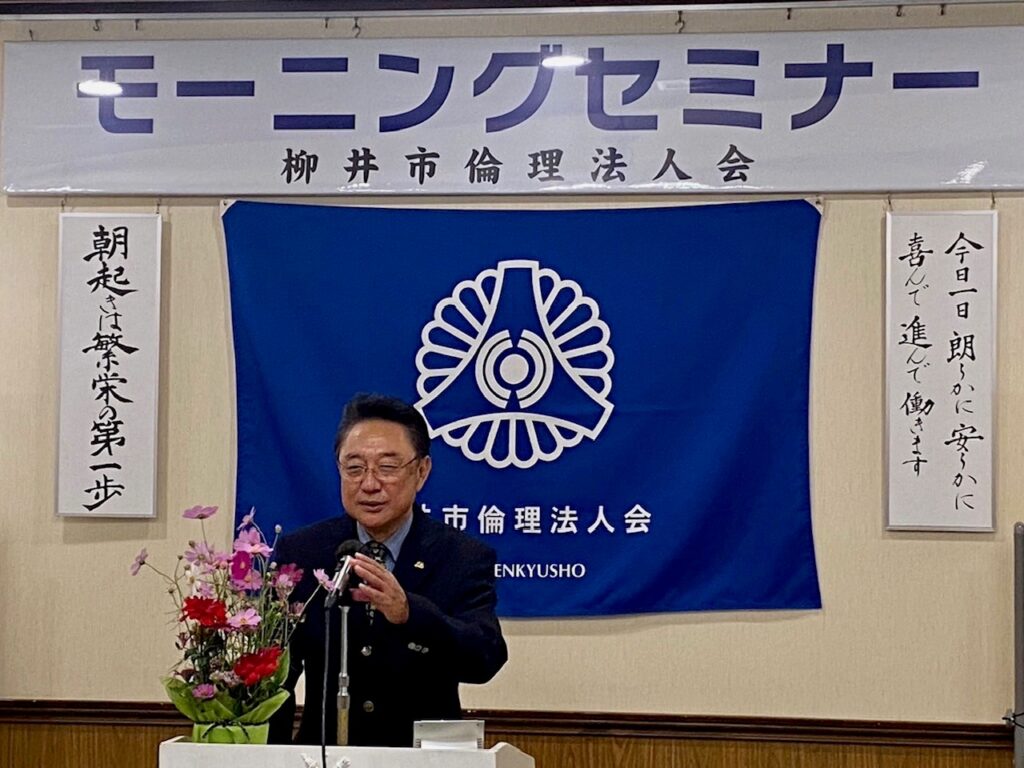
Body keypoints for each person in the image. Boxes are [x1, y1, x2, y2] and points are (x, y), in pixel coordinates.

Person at [268, 394, 508, 747]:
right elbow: (275, 678)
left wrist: (410, 614)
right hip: (325, 755)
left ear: (421, 471)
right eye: (354, 468)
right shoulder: (303, 552)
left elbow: (484, 659)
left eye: (387, 467)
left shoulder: (461, 556)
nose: (369, 484)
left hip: (422, 758)